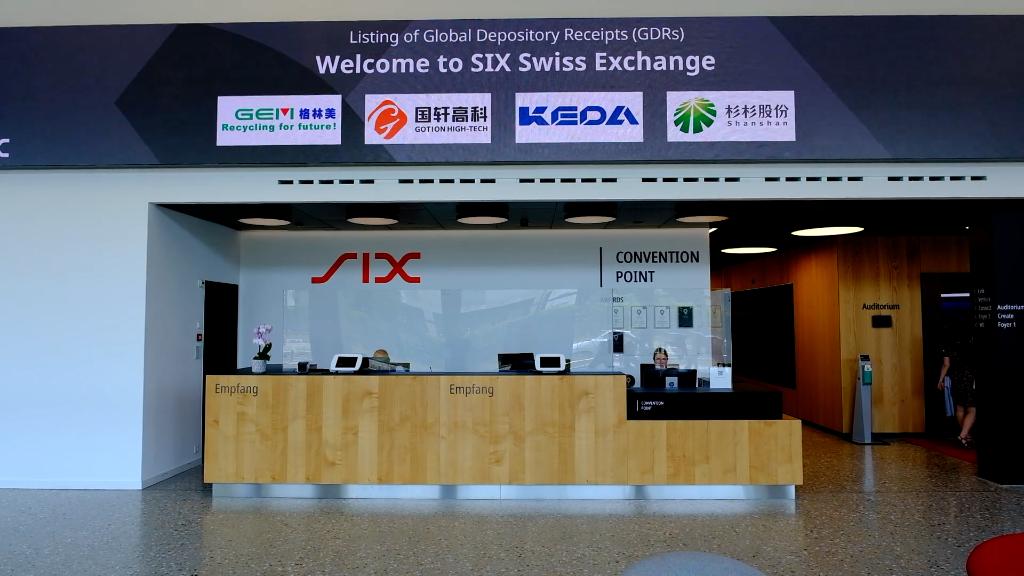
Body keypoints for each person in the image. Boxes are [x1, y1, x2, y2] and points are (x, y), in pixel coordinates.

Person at [937, 340, 976, 447]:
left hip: (955, 379)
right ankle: (963, 435)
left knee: (960, 409)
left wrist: (940, 380)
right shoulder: (971, 341)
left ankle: (966, 435)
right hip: (969, 378)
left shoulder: (947, 344)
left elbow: (946, 364)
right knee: (973, 410)